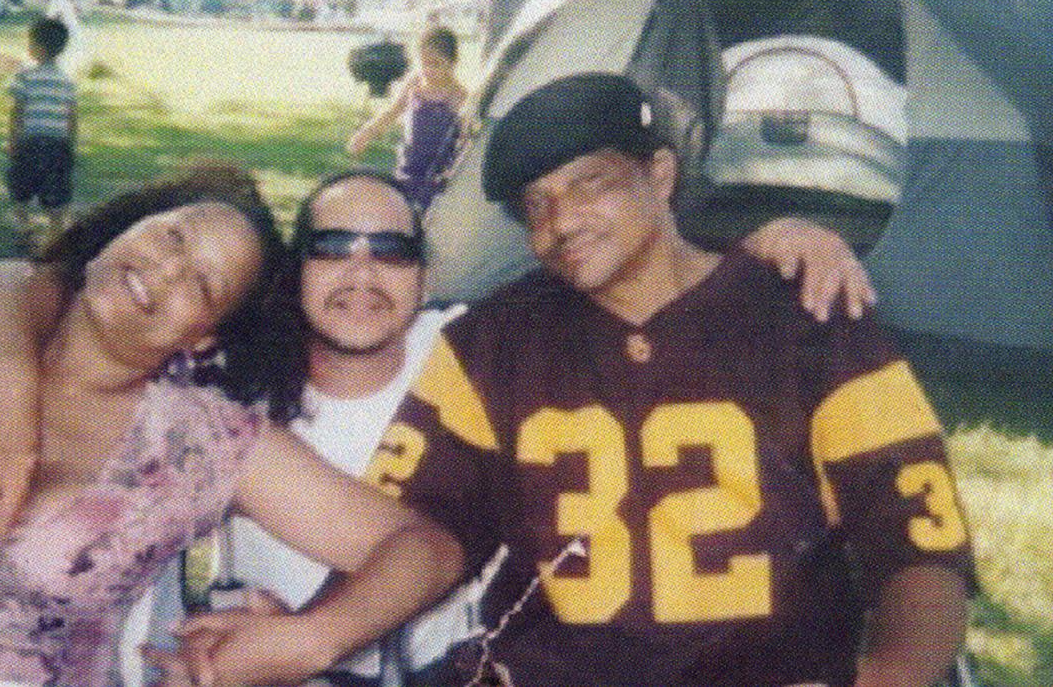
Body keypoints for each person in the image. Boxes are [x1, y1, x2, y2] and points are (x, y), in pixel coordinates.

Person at [0, 157, 875, 687]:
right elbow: (21, 284)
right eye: (332, 249)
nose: (362, 275)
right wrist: (6, 384)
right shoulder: (225, 377)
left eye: (390, 251)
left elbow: (623, 271)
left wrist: (767, 244)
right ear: (292, 276)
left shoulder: (475, 351)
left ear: (427, 276)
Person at [359, 73, 975, 687]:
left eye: (589, 184)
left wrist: (885, 676)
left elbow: (921, 544)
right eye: (536, 205)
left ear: (660, 174)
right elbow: (398, 526)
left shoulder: (809, 315)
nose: (562, 222)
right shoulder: (490, 342)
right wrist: (318, 630)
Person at [0, 161, 461, 687]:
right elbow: (10, 279)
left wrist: (312, 640)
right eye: (171, 236)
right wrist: (5, 387)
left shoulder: (198, 444)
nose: (168, 271)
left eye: (202, 283)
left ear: (202, 338)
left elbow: (425, 549)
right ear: (124, 231)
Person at [347, 26, 467, 212]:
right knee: (402, 215)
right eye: (424, 63)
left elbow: (465, 139)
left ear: (452, 64)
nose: (428, 70)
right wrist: (365, 133)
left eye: (436, 64)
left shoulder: (458, 96)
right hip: (408, 170)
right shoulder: (414, 85)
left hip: (436, 176)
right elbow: (391, 112)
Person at [6, 17, 77, 245]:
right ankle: (55, 236)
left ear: (39, 49)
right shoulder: (67, 81)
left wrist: (12, 141)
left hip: (31, 143)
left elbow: (17, 112)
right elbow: (72, 116)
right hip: (58, 145)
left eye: (30, 43)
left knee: (19, 188)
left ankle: (25, 227)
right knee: (56, 194)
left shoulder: (25, 77)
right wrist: (70, 145)